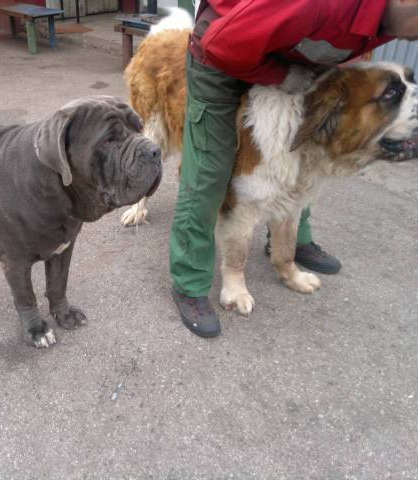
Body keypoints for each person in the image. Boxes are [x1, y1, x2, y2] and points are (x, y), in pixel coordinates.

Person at [170, 0, 418, 338]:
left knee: (300, 176)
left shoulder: (395, 19)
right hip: (220, 53)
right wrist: (283, 76)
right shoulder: (322, 3)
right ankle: (192, 282)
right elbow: (221, 44)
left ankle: (288, 252)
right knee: (209, 172)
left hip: (284, 56)